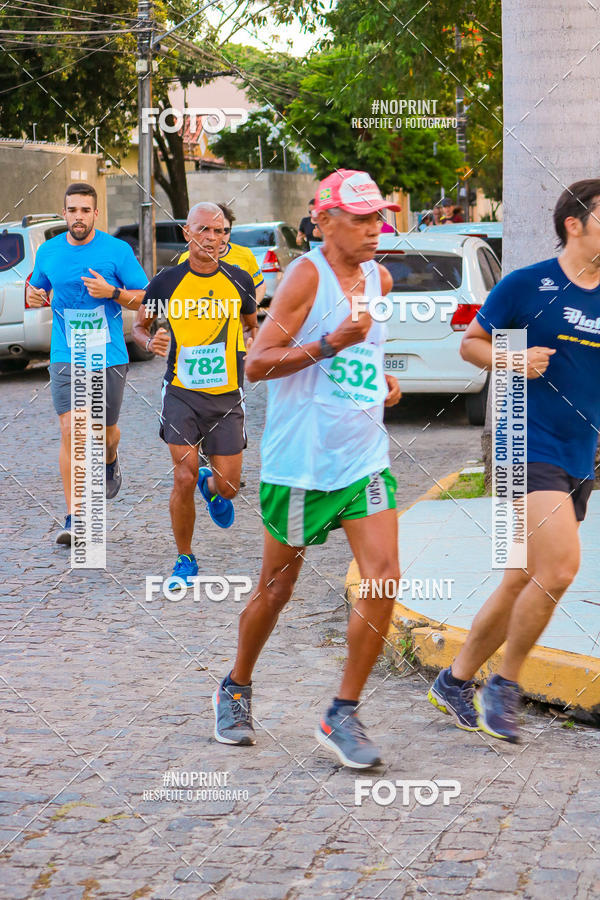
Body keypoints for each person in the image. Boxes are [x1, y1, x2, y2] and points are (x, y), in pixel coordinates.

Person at [212, 169, 402, 769]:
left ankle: (342, 710)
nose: (376, 230)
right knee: (277, 589)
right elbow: (256, 364)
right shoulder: (304, 277)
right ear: (324, 221)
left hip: (363, 457)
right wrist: (328, 346)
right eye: (362, 219)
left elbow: (365, 351)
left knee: (383, 578)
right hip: (301, 465)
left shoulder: (381, 276)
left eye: (379, 218)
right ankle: (237, 686)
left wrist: (383, 379)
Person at [427, 178, 600, 743]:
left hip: (579, 451)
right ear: (574, 224)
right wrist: (514, 356)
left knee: (521, 576)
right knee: (560, 569)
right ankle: (505, 684)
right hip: (527, 443)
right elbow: (472, 343)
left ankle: (453, 681)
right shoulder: (530, 285)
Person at [133, 203, 258, 588]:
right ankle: (185, 558)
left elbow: (252, 326)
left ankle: (213, 486)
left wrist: (252, 344)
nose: (213, 238)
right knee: (182, 476)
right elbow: (140, 326)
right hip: (181, 393)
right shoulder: (167, 282)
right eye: (205, 230)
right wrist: (149, 339)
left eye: (221, 232)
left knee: (230, 488)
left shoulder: (239, 281)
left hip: (225, 396)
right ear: (188, 234)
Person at [27, 182, 148, 545]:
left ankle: (111, 456)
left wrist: (111, 292)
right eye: (72, 210)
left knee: (105, 434)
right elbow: (36, 290)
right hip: (66, 353)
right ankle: (76, 516)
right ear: (63, 213)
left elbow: (144, 298)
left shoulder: (117, 251)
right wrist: (32, 294)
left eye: (85, 210)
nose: (78, 216)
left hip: (107, 354)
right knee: (72, 432)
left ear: (96, 214)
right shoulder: (48, 251)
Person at [178, 203, 267, 308]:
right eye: (211, 230)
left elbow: (259, 285)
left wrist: (248, 309)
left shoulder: (245, 254)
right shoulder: (186, 258)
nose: (219, 237)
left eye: (225, 231)